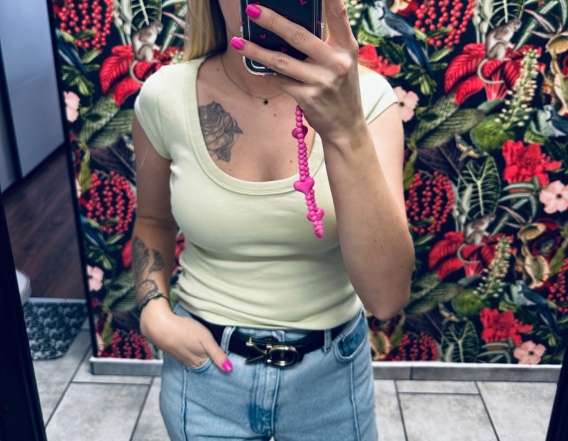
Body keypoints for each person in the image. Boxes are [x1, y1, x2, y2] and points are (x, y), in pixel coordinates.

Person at [131, 0, 414, 439]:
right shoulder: (164, 96)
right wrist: (153, 310)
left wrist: (345, 130)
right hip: (205, 371)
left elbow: (387, 297)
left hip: (332, 378)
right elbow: (152, 219)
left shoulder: (370, 99)